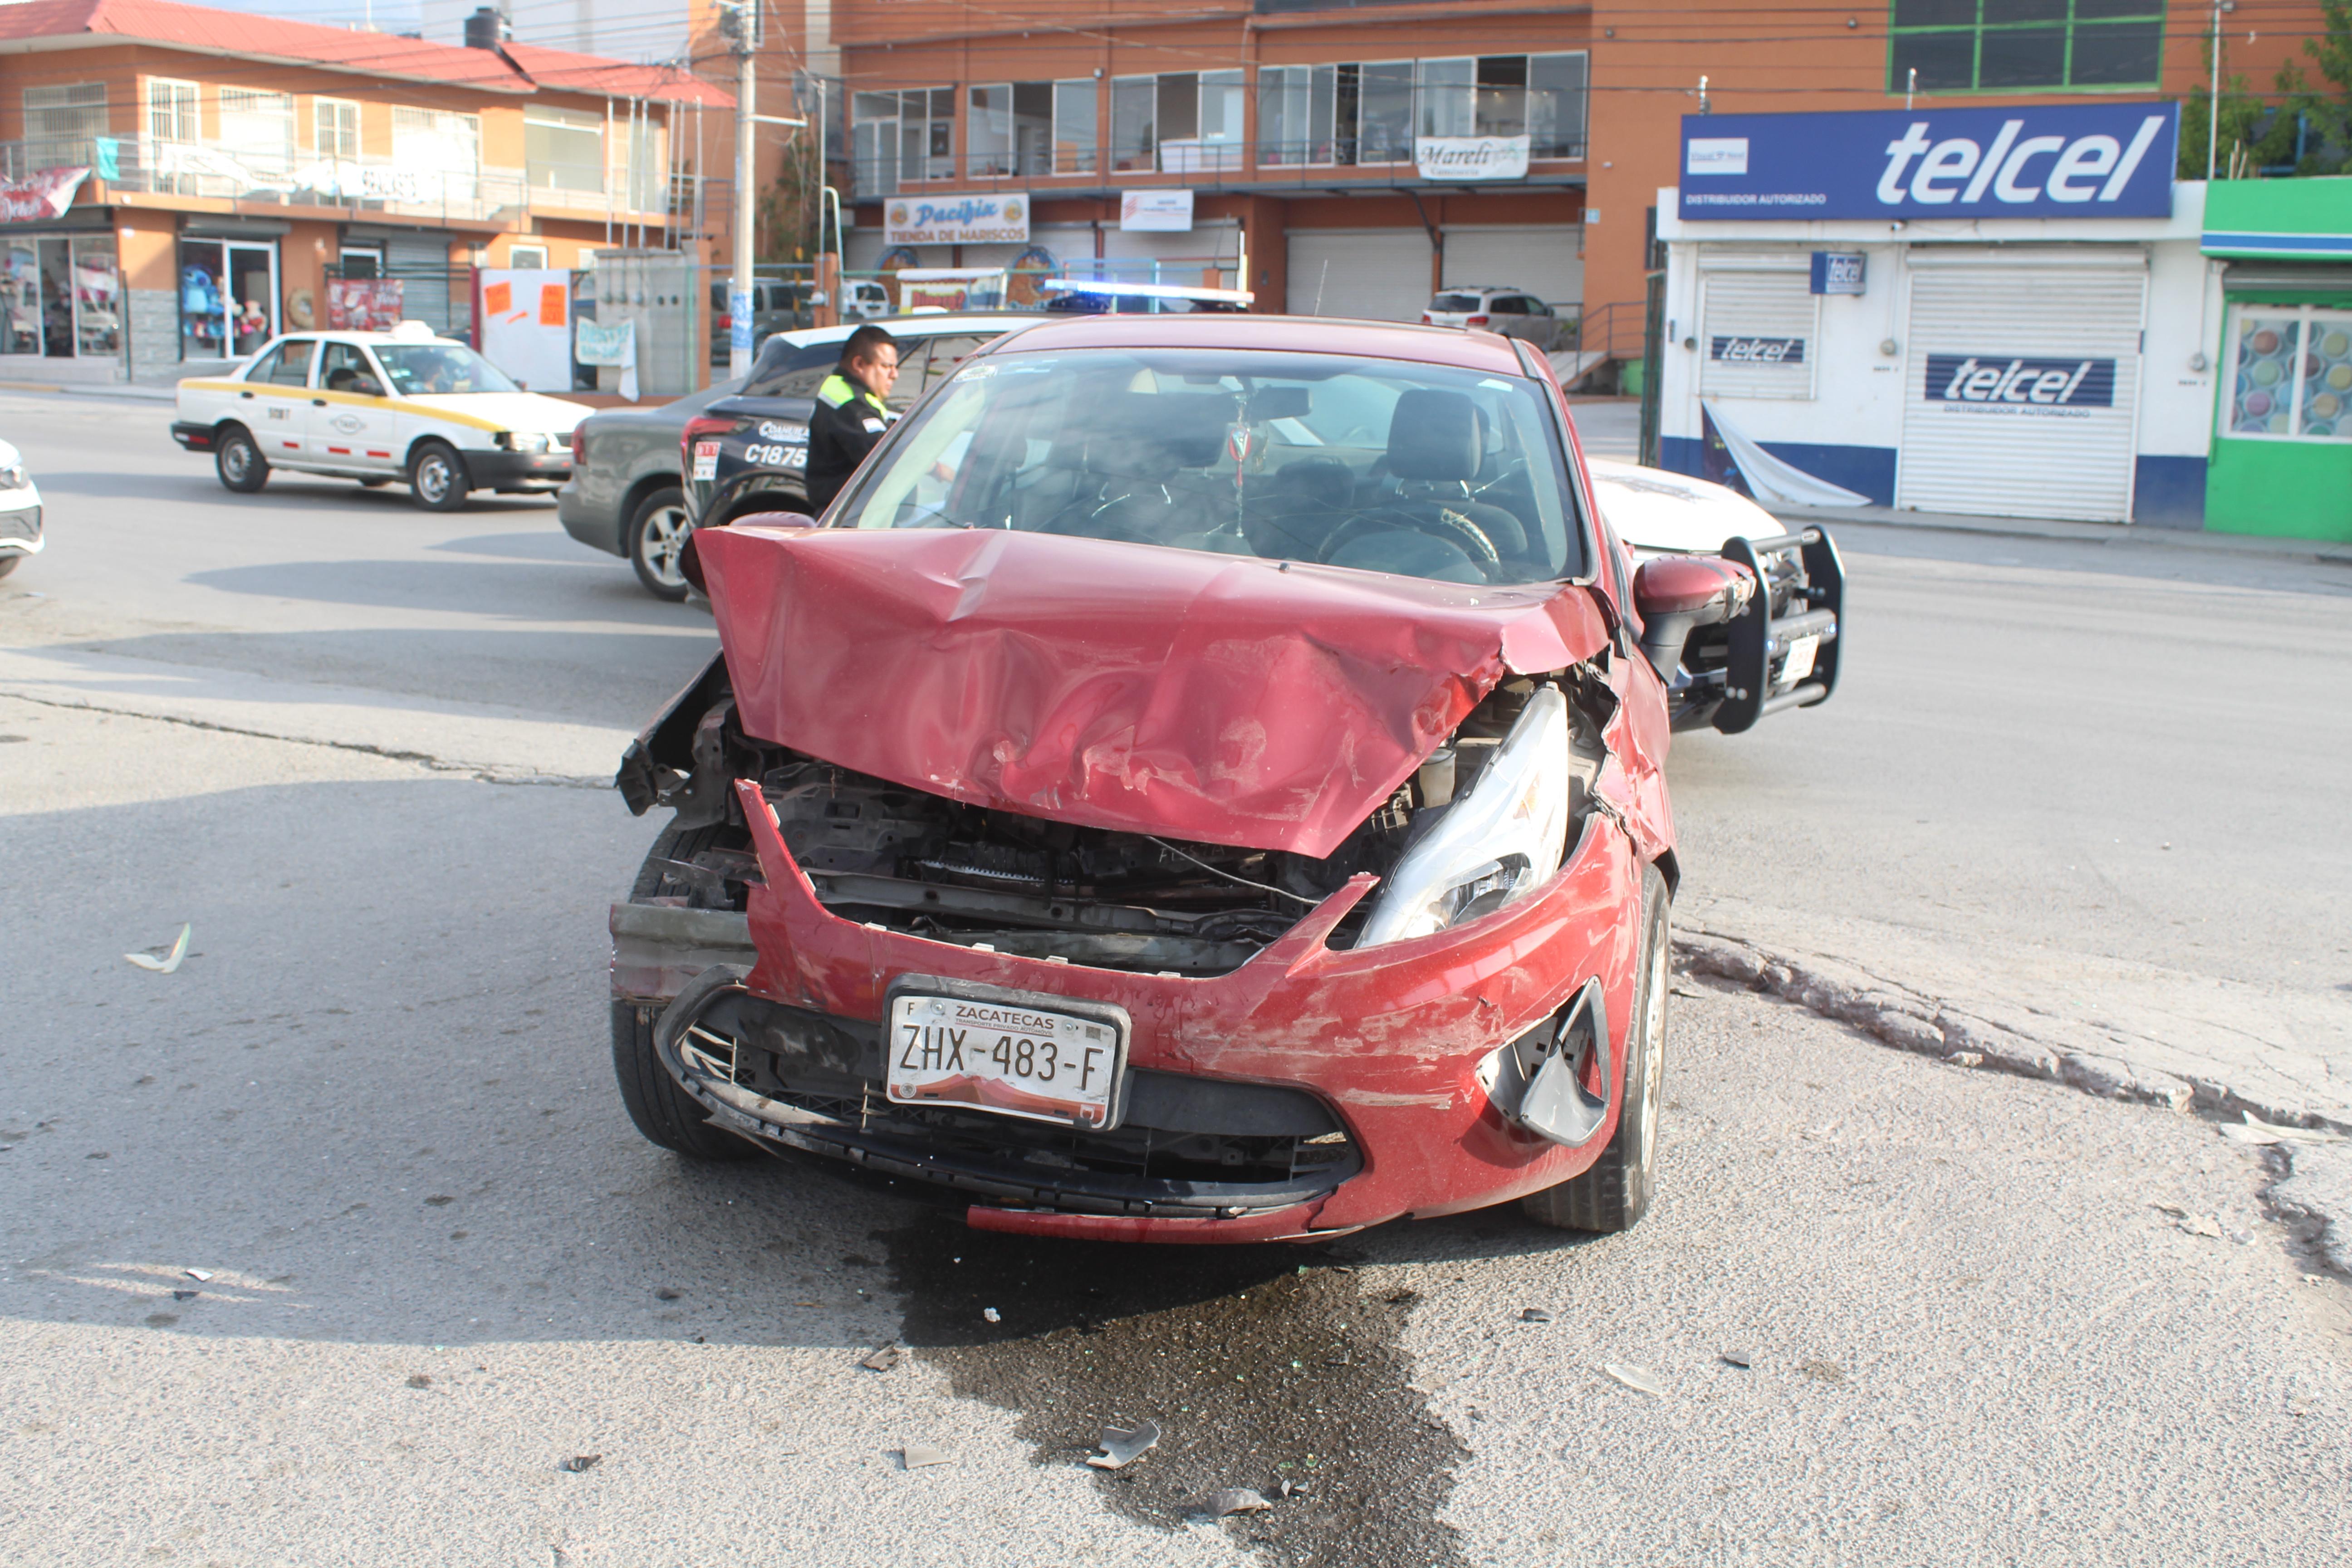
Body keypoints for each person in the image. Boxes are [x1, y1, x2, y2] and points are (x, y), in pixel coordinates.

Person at [805, 324, 901, 513]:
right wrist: (931, 465)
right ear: (859, 365)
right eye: (886, 366)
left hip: (850, 512)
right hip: (848, 516)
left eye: (895, 367)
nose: (894, 375)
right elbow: (883, 456)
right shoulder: (850, 404)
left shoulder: (850, 393)